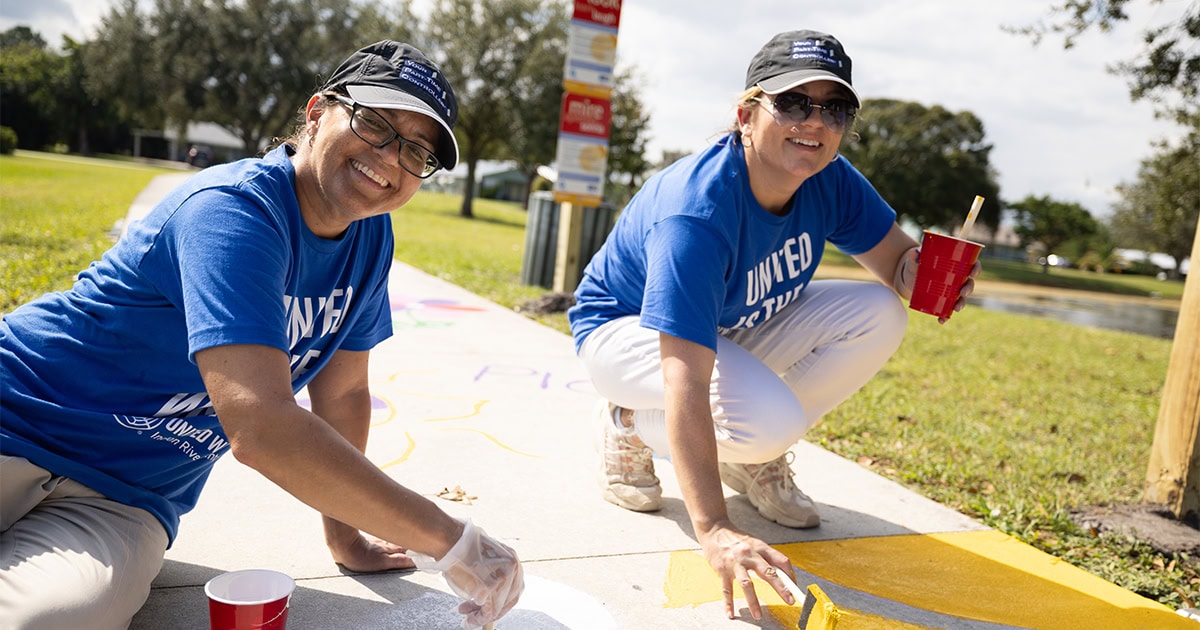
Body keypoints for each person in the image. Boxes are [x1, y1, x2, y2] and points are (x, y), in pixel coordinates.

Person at [0, 41, 522, 629]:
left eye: (417, 149)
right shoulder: (232, 212)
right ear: (318, 111)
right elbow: (262, 427)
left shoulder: (370, 241)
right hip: (16, 418)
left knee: (47, 620)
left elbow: (344, 395)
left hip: (121, 498)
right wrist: (451, 539)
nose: (391, 159)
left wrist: (347, 537)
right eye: (375, 123)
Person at [567, 29, 980, 621]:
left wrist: (937, 277)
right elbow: (684, 374)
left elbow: (896, 267)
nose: (814, 123)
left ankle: (748, 451)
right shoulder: (696, 212)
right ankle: (627, 421)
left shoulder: (830, 179)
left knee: (878, 313)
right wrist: (714, 529)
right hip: (626, 332)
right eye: (793, 102)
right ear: (745, 114)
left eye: (834, 109)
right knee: (768, 422)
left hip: (724, 326)